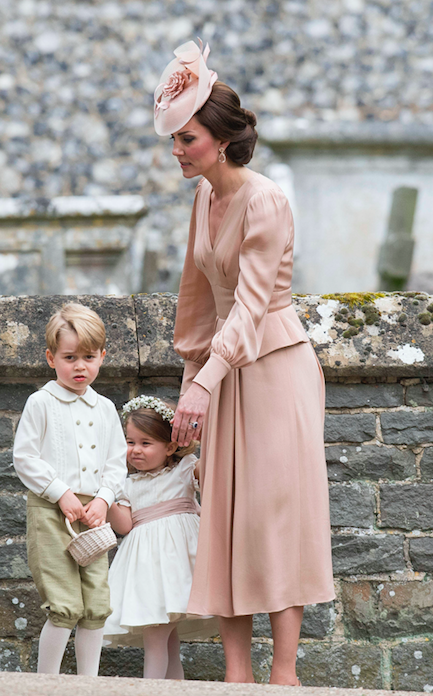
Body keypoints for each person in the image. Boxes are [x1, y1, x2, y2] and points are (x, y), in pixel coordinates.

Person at [154, 40, 335, 684]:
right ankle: (239, 675)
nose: (177, 149)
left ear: (222, 140)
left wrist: (205, 382)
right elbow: (197, 307)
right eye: (174, 137)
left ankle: (283, 673)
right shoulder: (203, 198)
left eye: (188, 137)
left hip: (274, 365)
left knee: (274, 514)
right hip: (220, 375)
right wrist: (190, 385)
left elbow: (252, 305)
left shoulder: (266, 201)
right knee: (225, 513)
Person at [13, 302, 127, 676]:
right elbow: (25, 457)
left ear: (102, 357)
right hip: (52, 511)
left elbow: (116, 461)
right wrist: (60, 492)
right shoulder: (41, 403)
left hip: (94, 515)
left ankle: (87, 683)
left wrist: (104, 499)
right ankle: (47, 682)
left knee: (95, 603)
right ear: (51, 358)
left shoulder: (106, 408)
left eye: (89, 357)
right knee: (64, 603)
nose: (80, 366)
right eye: (70, 356)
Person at [103, 395, 218, 679]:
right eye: (130, 442)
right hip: (149, 572)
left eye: (145, 443)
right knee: (163, 641)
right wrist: (104, 498)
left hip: (181, 565)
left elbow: (215, 468)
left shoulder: (184, 469)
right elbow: (125, 526)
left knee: (159, 641)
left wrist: (204, 432)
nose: (135, 450)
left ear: (169, 446)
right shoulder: (127, 483)